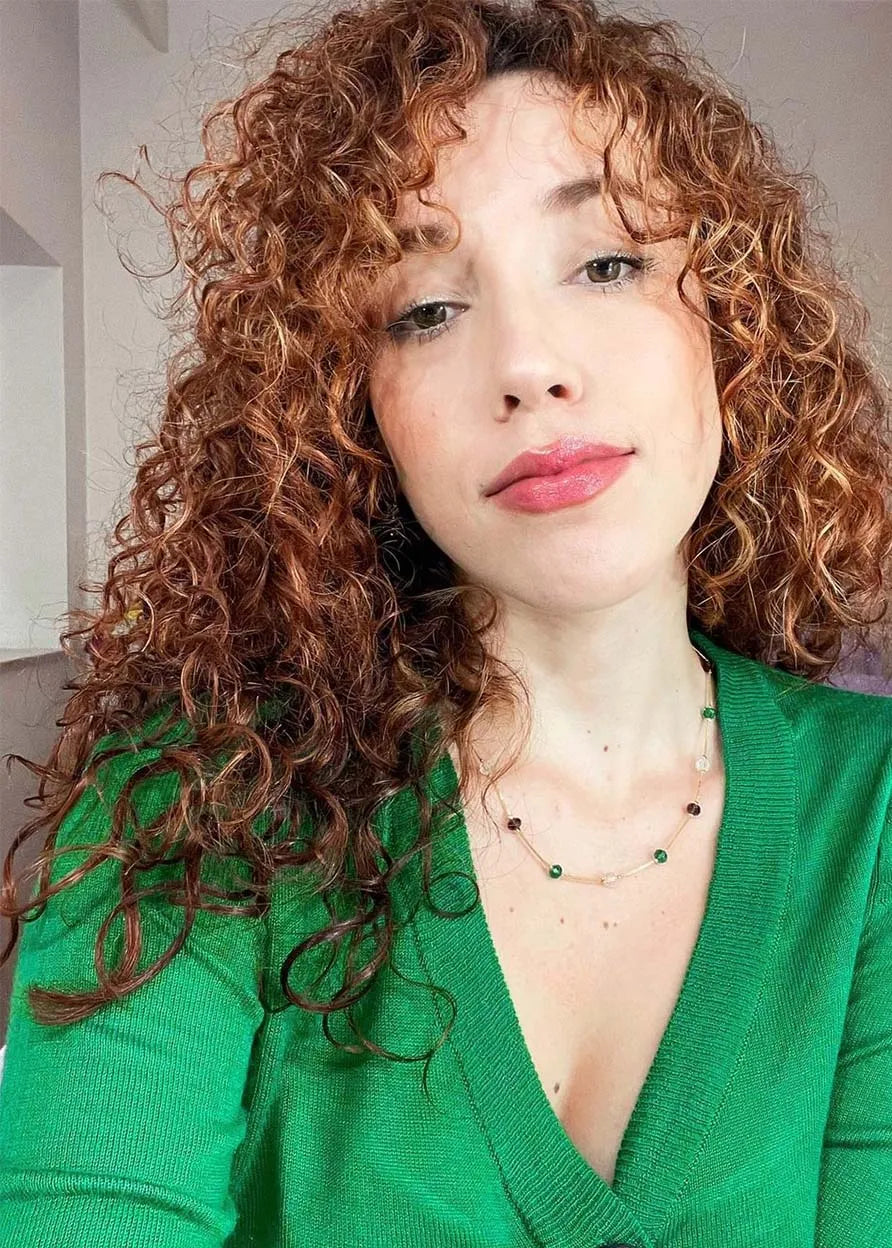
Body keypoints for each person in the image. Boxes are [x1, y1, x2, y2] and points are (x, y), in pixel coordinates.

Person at [1, 1, 890, 1244]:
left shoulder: (871, 814)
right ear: (348, 408)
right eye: (424, 309)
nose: (528, 364)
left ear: (733, 321)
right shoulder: (193, 809)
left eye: (607, 263)